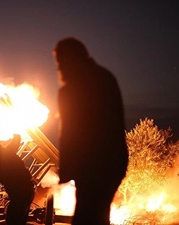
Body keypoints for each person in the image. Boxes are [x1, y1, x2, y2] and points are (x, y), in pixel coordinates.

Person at [54, 37, 128, 225]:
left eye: (61, 62)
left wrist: (65, 172)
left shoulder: (70, 91)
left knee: (86, 218)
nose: (59, 68)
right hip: (114, 163)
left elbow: (70, 133)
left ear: (70, 59)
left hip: (92, 166)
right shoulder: (106, 77)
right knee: (98, 215)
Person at [0, 134, 35, 225]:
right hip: (25, 191)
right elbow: (14, 144)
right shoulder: (2, 153)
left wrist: (16, 134)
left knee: (13, 220)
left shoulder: (0, 155)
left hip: (21, 193)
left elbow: (14, 144)